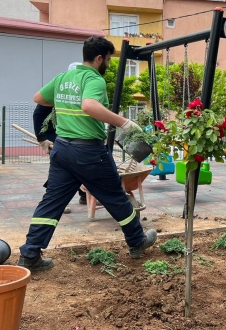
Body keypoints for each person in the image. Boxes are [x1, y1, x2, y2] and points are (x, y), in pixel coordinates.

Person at [18, 36, 157, 272]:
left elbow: (39, 98)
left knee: (52, 202)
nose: (110, 65)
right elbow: (89, 106)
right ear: (99, 58)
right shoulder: (93, 79)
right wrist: (124, 123)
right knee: (115, 196)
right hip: (89, 151)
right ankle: (137, 242)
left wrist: (65, 107)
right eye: (109, 60)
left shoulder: (63, 78)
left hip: (62, 150)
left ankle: (30, 253)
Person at [33, 62, 87, 210]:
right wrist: (42, 138)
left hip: (70, 135)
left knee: (74, 167)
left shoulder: (80, 90)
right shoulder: (58, 90)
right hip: (54, 136)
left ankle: (83, 195)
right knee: (59, 169)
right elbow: (38, 115)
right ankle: (55, 202)